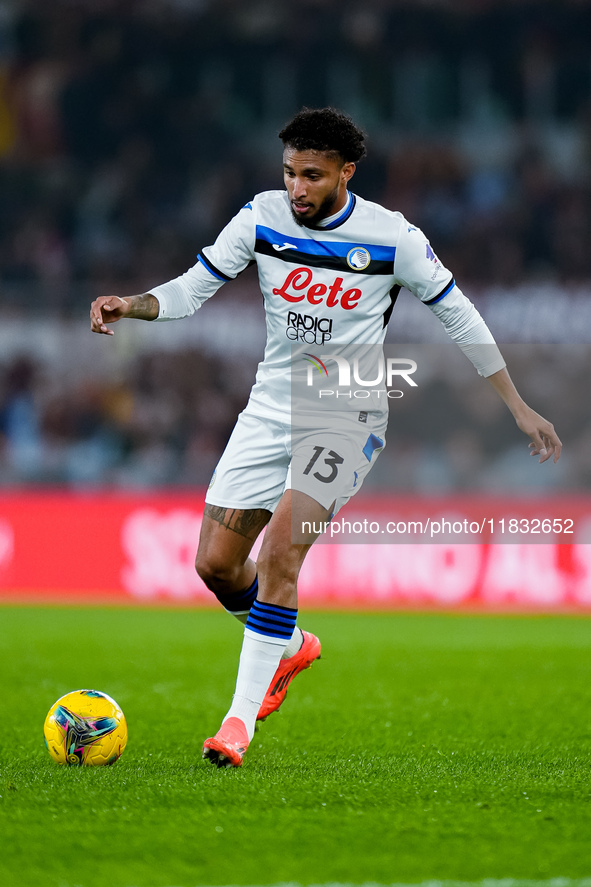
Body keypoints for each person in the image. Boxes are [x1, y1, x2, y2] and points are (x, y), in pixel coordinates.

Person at [90, 107, 562, 768]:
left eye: (311, 175)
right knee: (216, 565)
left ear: (346, 171)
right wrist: (131, 303)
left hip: (346, 412)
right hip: (269, 407)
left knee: (281, 552)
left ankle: (236, 724)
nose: (297, 188)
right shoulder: (260, 217)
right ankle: (287, 645)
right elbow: (196, 288)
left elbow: (458, 312)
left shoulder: (392, 238)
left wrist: (515, 404)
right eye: (289, 173)